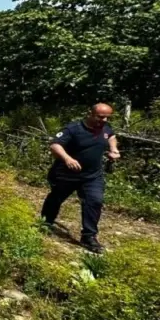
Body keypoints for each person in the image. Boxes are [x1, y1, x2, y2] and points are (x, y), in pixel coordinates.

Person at [40, 103, 121, 254]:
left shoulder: (105, 128)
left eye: (107, 117)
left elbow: (111, 136)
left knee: (94, 201)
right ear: (90, 114)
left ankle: (89, 236)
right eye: (100, 117)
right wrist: (67, 159)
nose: (104, 120)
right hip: (66, 174)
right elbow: (55, 145)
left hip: (92, 176)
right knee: (56, 198)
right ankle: (45, 223)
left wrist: (113, 149)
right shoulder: (74, 129)